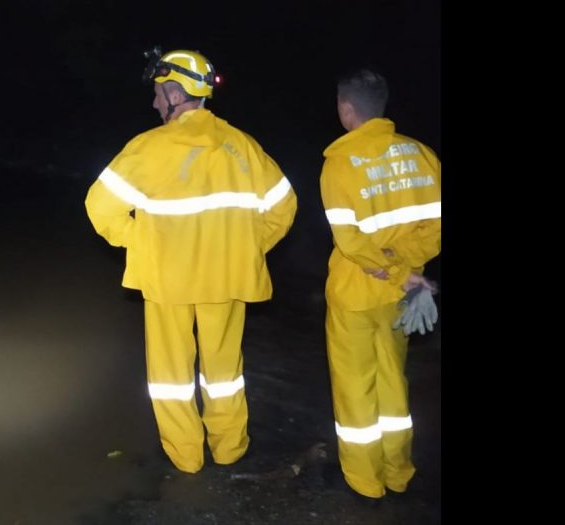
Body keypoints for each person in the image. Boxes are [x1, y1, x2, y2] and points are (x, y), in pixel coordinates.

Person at [85, 48, 297, 474]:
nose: (153, 103)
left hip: (167, 282)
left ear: (174, 94)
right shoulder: (244, 146)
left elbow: (99, 209)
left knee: (170, 373)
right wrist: (246, 246)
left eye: (158, 93)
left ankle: (185, 457)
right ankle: (229, 449)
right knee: (224, 370)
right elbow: (283, 207)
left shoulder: (146, 148)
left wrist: (143, 242)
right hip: (229, 280)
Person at [319, 68, 441, 501]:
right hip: (400, 295)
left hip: (356, 294)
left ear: (347, 109)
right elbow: (435, 227)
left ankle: (365, 482)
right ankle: (399, 471)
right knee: (393, 380)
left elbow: (349, 241)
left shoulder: (339, 165)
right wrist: (407, 269)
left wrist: (390, 268)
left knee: (356, 389)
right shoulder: (422, 156)